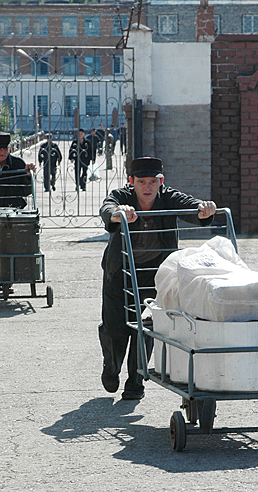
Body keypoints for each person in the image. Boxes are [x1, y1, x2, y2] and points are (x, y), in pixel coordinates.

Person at [99, 157, 216, 400]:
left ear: (161, 182)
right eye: (141, 182)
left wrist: (204, 209)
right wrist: (118, 214)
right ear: (132, 182)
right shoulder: (122, 197)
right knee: (115, 328)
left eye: (153, 181)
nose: (147, 187)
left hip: (155, 274)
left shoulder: (167, 197)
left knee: (146, 327)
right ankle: (111, 367)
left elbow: (190, 205)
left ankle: (135, 381)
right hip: (120, 271)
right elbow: (107, 208)